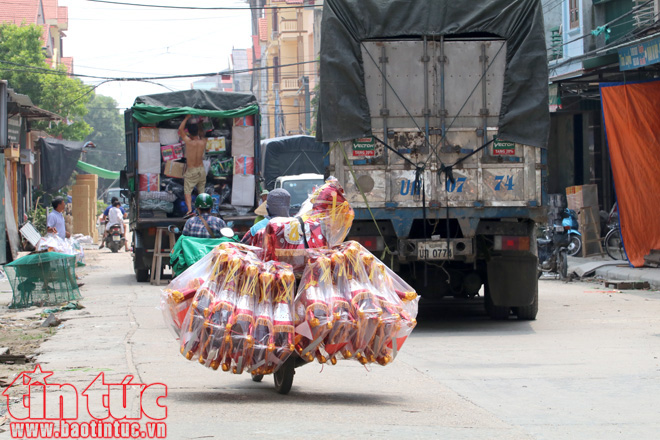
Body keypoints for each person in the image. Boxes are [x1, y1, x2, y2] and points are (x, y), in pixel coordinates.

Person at [178, 114, 207, 218]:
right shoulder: (203, 142)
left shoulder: (189, 142)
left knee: (187, 191)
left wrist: (186, 118)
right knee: (201, 191)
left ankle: (190, 210)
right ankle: (203, 210)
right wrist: (199, 124)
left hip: (192, 170)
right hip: (201, 169)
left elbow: (180, 129)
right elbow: (202, 133)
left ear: (189, 132)